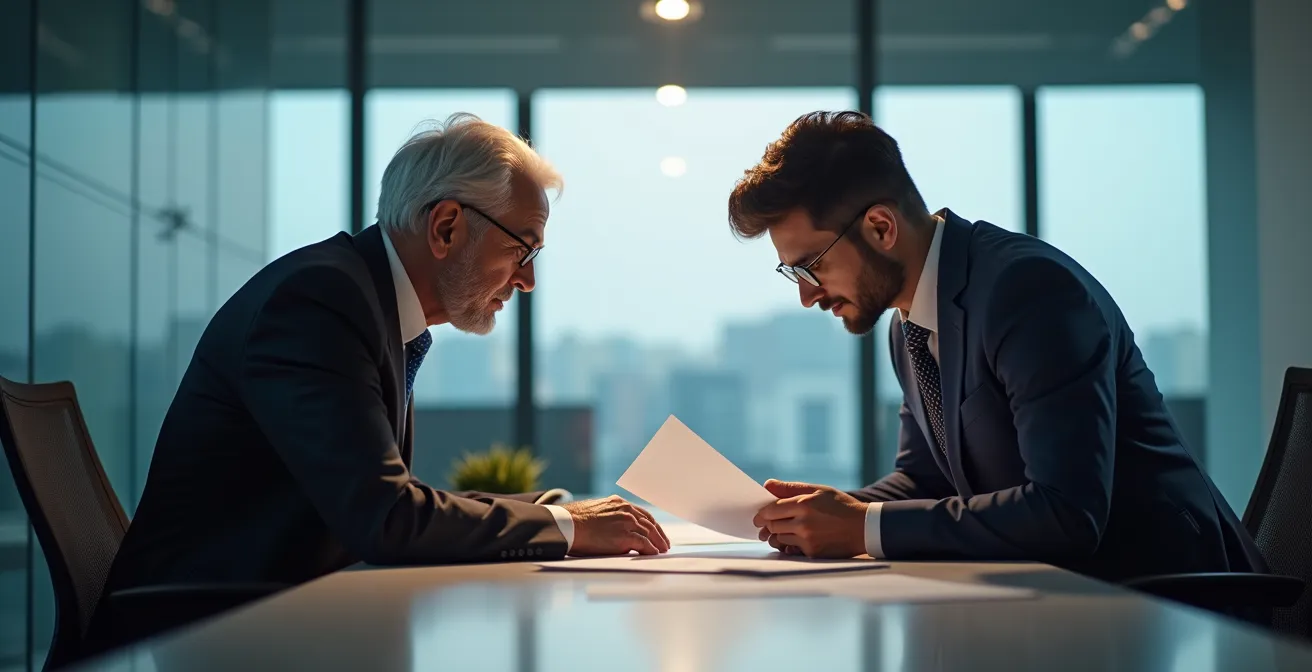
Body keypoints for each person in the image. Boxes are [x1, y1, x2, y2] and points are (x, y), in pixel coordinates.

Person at [100, 114, 668, 604]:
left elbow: (384, 496)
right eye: (522, 247)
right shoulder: (318, 303)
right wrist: (564, 526)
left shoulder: (365, 301)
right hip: (199, 634)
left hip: (282, 612)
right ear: (446, 226)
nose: (528, 279)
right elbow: (386, 517)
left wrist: (551, 511)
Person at [734, 111, 1262, 582]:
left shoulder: (1028, 291)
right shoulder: (911, 323)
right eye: (792, 272)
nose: (806, 295)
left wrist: (861, 527)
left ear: (880, 227)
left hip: (1169, 596)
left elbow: (1066, 513)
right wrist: (832, 512)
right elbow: (925, 478)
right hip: (1059, 597)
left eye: (812, 265)